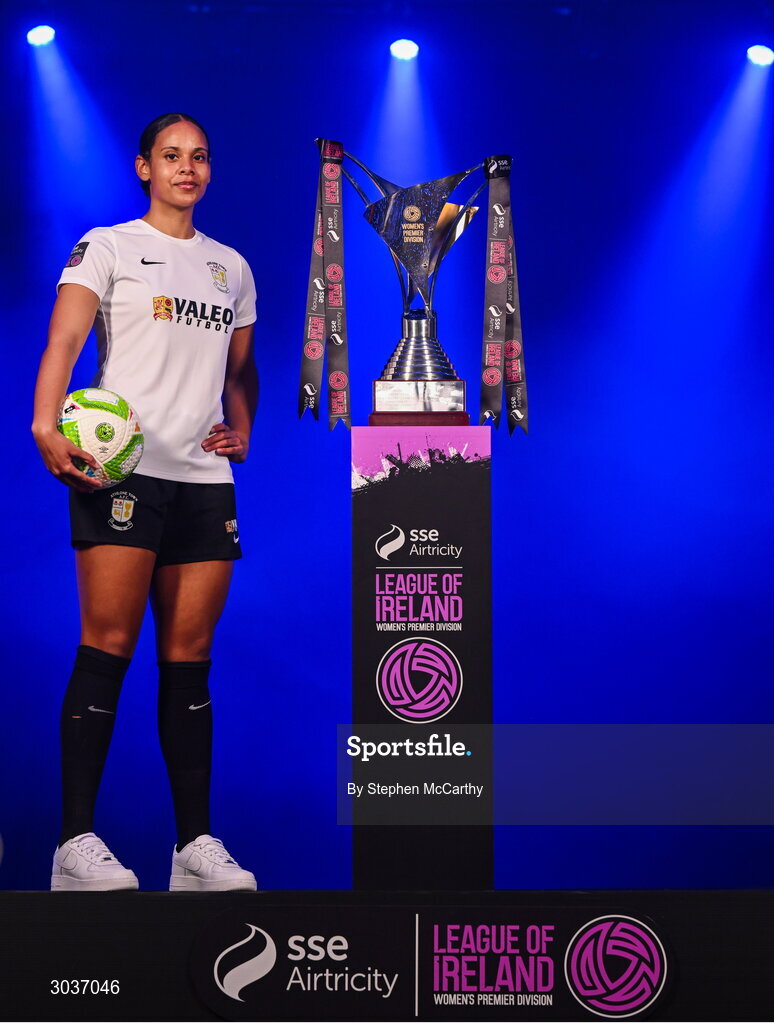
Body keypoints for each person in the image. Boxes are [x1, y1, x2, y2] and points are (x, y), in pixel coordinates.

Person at [31, 113, 259, 892]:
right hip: (119, 469)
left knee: (189, 660)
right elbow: (63, 341)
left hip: (203, 479)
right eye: (171, 156)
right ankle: (73, 844)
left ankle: (193, 847)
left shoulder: (231, 266)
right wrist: (42, 418)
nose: (186, 168)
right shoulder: (111, 245)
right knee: (108, 644)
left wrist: (244, 428)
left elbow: (242, 367)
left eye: (199, 157)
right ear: (143, 168)